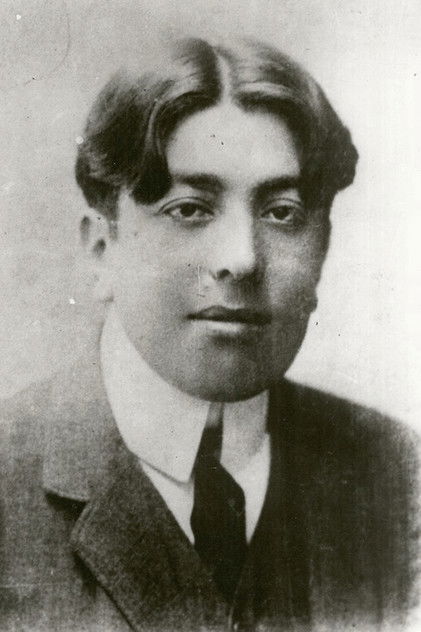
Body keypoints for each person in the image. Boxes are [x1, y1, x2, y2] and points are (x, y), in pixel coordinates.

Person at [0, 37, 418, 632]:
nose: (241, 260)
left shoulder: (398, 475)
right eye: (190, 209)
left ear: (322, 252)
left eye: (282, 212)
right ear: (101, 249)